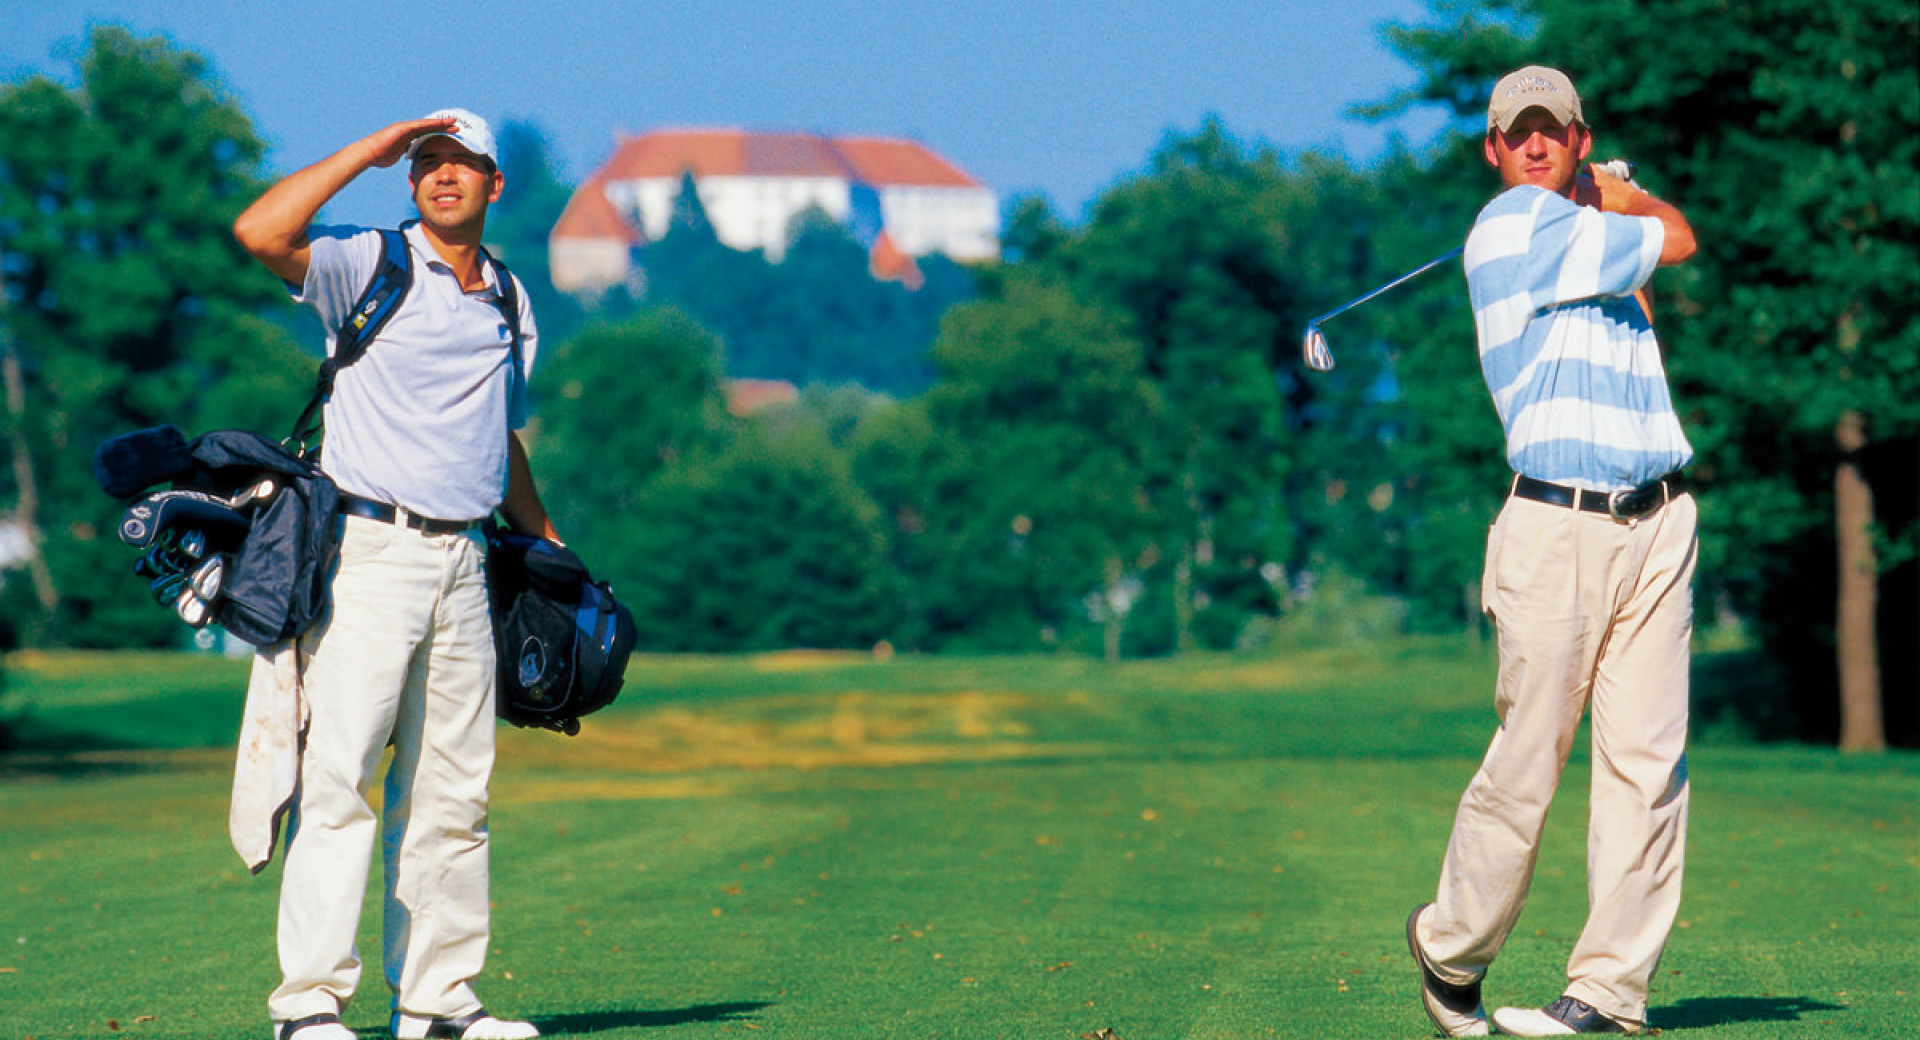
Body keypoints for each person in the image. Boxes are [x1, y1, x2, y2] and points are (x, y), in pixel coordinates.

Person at [233, 109, 559, 1040]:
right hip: (369, 551)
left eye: (463, 165)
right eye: (427, 164)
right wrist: (368, 149)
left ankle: (438, 1003)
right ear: (409, 179)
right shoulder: (367, 262)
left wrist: (552, 551)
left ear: (496, 185)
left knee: (455, 792)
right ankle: (309, 1008)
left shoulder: (506, 295)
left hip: (466, 558)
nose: (442, 176)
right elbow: (261, 232)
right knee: (339, 782)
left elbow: (500, 434)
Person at [1405, 67, 1699, 1038]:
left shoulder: (1599, 264)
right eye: (1516, 133)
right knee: (1529, 759)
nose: (1534, 145)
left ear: (1579, 135)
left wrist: (1603, 205)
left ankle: (1609, 989)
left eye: (1554, 131)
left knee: (1646, 767)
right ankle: (1450, 945)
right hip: (1553, 524)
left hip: (1658, 517)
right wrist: (1617, 191)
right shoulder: (1509, 228)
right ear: (1493, 150)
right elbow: (1681, 235)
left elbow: (1648, 294)